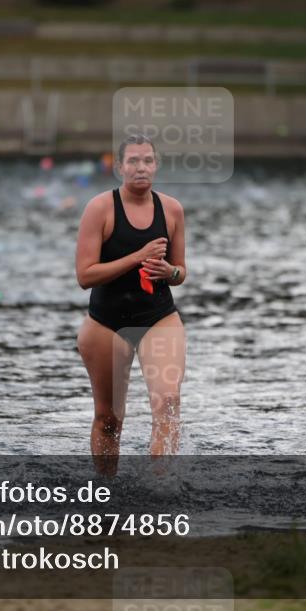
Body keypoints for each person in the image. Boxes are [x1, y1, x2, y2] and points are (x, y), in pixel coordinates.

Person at [76, 135, 186, 474]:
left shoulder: (171, 209)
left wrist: (171, 271)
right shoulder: (100, 208)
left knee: (167, 403)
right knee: (108, 418)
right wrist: (136, 257)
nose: (141, 167)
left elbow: (181, 272)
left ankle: (160, 488)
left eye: (148, 161)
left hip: (158, 317)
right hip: (105, 323)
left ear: (156, 165)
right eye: (134, 161)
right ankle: (106, 493)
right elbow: (85, 275)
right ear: (119, 166)